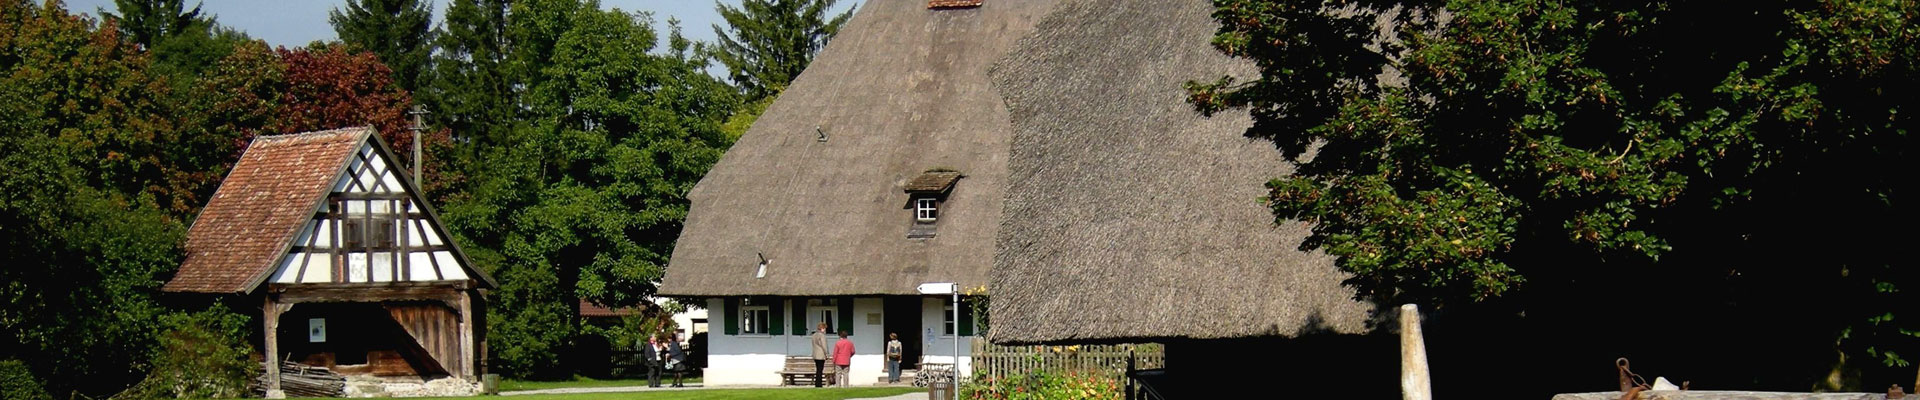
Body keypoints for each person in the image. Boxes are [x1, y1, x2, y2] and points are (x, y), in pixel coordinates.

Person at [811, 322, 829, 388]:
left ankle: (817, 383)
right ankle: (819, 384)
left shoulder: (814, 335)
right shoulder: (822, 336)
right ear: (822, 328)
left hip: (815, 354)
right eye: (824, 328)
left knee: (818, 369)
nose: (825, 330)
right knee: (820, 370)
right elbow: (824, 345)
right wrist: (826, 354)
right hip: (821, 355)